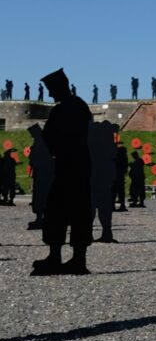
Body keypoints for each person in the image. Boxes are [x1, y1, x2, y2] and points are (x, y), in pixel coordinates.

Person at [31, 69, 93, 275]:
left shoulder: (62, 110)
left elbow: (50, 138)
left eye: (51, 90)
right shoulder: (81, 106)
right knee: (79, 211)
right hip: (81, 167)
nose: (49, 94)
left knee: (57, 211)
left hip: (68, 166)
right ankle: (78, 258)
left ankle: (57, 256)